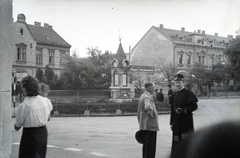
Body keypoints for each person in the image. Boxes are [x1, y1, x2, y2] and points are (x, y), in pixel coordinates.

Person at [14, 76, 53, 158]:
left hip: (30, 135)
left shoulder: (24, 105)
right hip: (42, 133)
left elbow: (17, 126)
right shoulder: (45, 101)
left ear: (25, 89)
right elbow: (48, 118)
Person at [170, 73, 198, 158]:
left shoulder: (189, 93)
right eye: (176, 82)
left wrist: (183, 110)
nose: (177, 84)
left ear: (183, 82)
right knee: (176, 140)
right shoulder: (174, 94)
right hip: (176, 122)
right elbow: (172, 110)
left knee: (185, 140)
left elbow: (194, 106)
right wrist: (171, 123)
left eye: (179, 82)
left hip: (186, 121)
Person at [137, 82, 159, 158]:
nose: (154, 89)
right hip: (150, 125)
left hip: (144, 124)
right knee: (150, 146)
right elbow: (148, 107)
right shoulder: (147, 97)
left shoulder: (142, 96)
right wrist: (152, 116)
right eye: (153, 88)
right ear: (150, 88)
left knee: (146, 145)